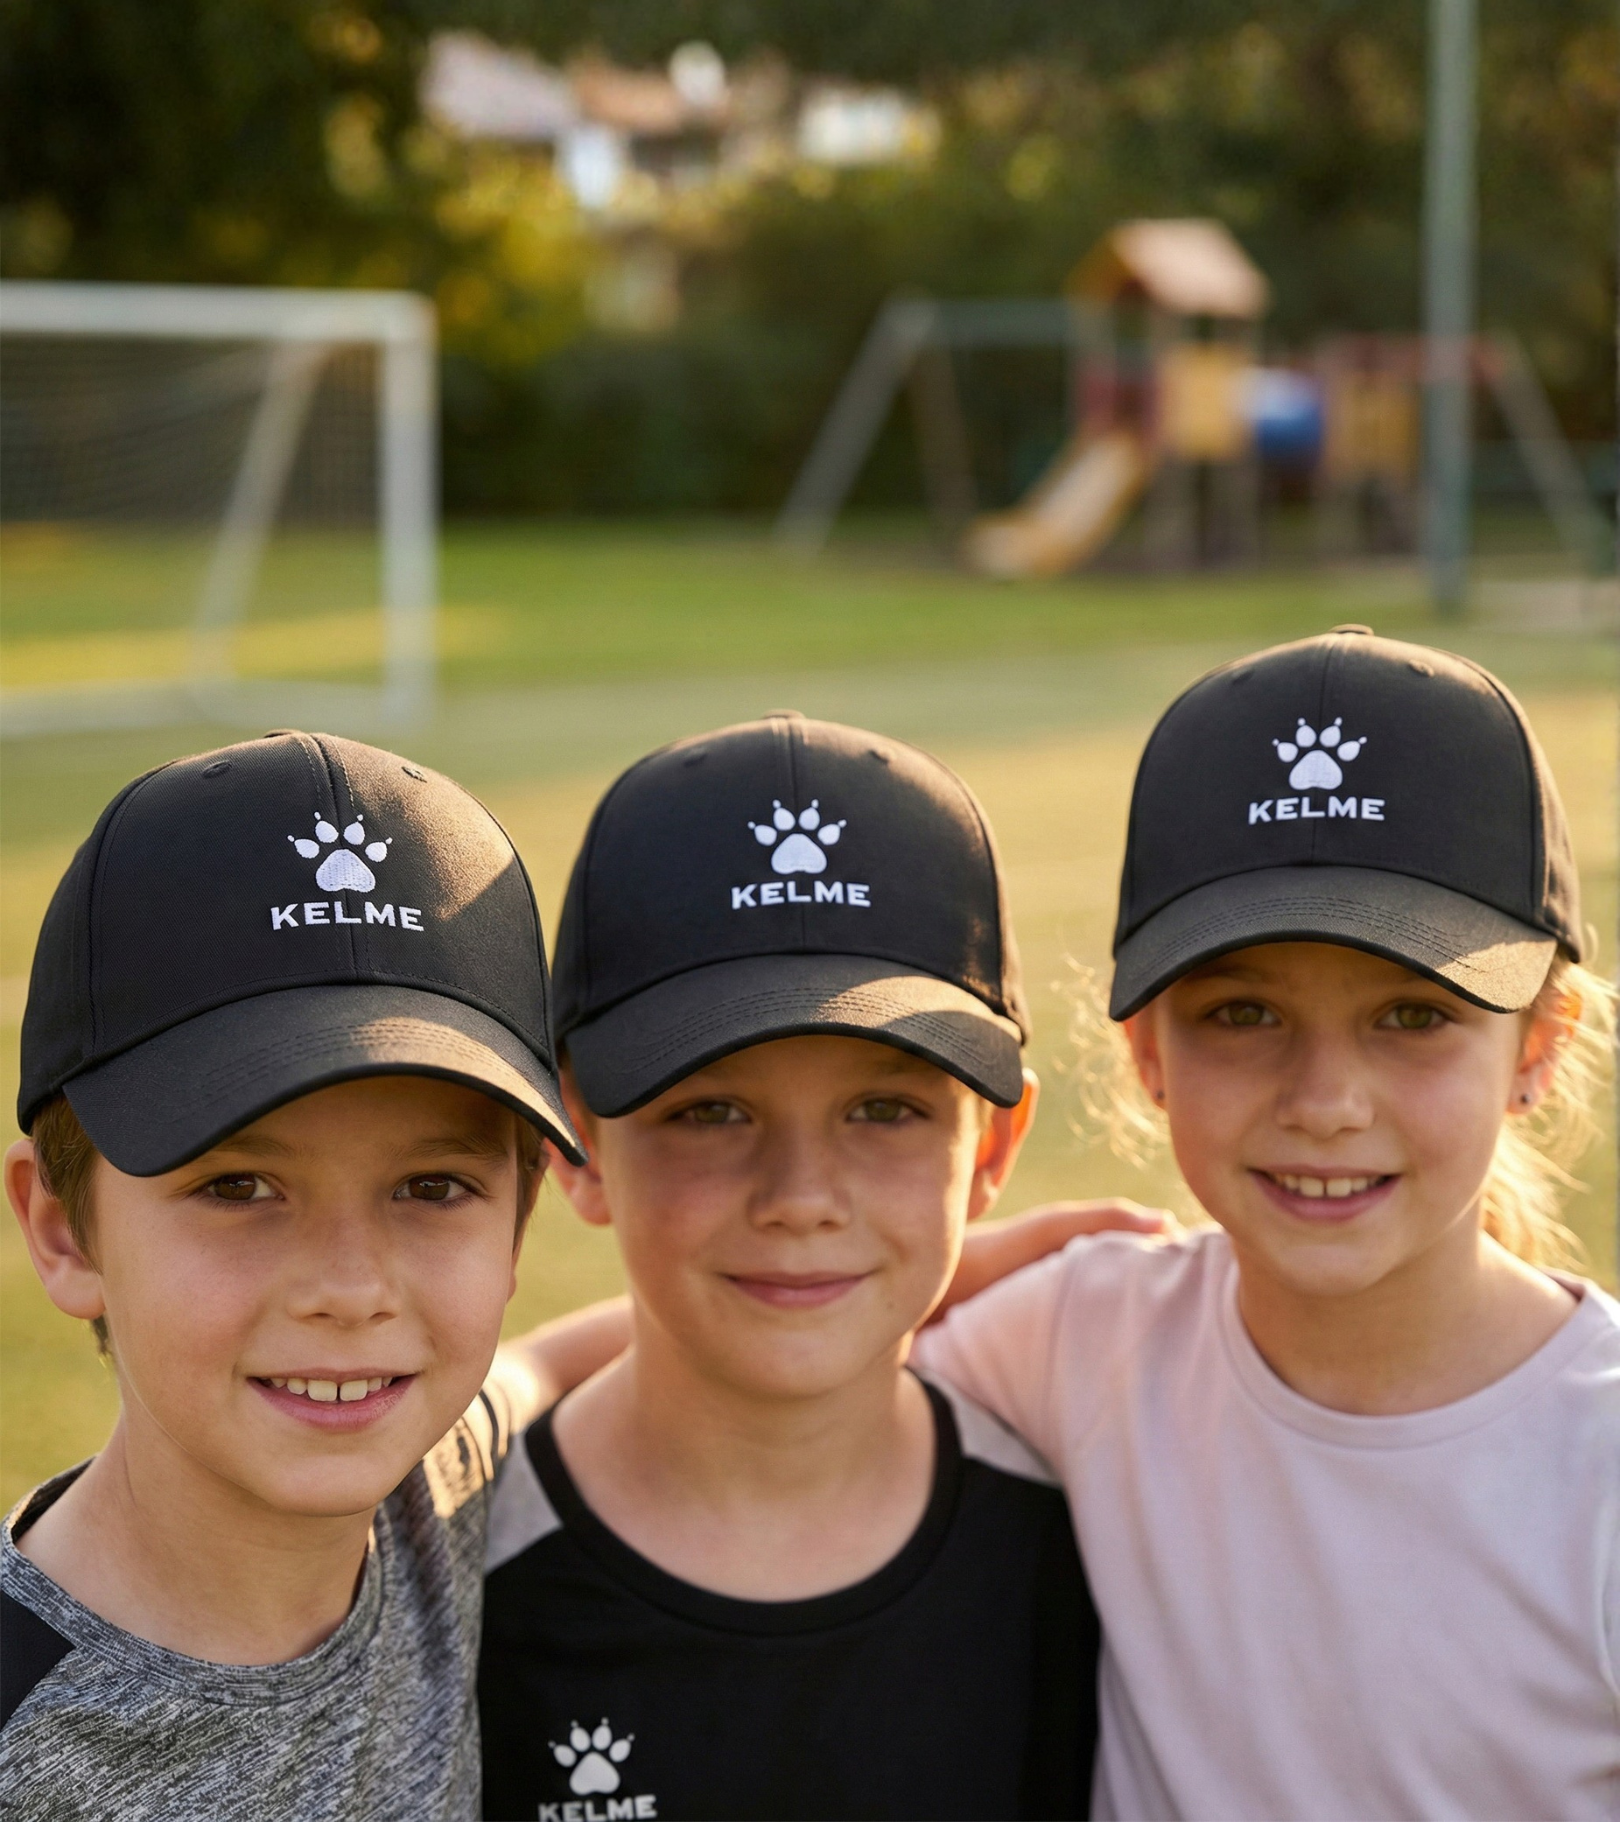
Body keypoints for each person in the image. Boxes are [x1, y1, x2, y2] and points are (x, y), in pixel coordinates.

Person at [911, 626, 1620, 1820]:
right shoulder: (1085, 1338)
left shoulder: (1597, 1465)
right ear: (1146, 1051)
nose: (1326, 1103)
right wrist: (942, 1266)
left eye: (1412, 1016)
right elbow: (712, 1380)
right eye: (1243, 1013)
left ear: (1539, 1048)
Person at [477, 712, 1162, 1822]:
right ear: (578, 1142)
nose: (800, 1197)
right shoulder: (454, 1575)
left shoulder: (1090, 1540)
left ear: (992, 1148)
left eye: (883, 1110)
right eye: (711, 1110)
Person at [0, 730, 589, 1821]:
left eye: (431, 1187)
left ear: (518, 1223)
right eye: (238, 1187)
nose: (350, 1289)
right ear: (64, 1231)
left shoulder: (431, 1494)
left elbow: (549, 1366)